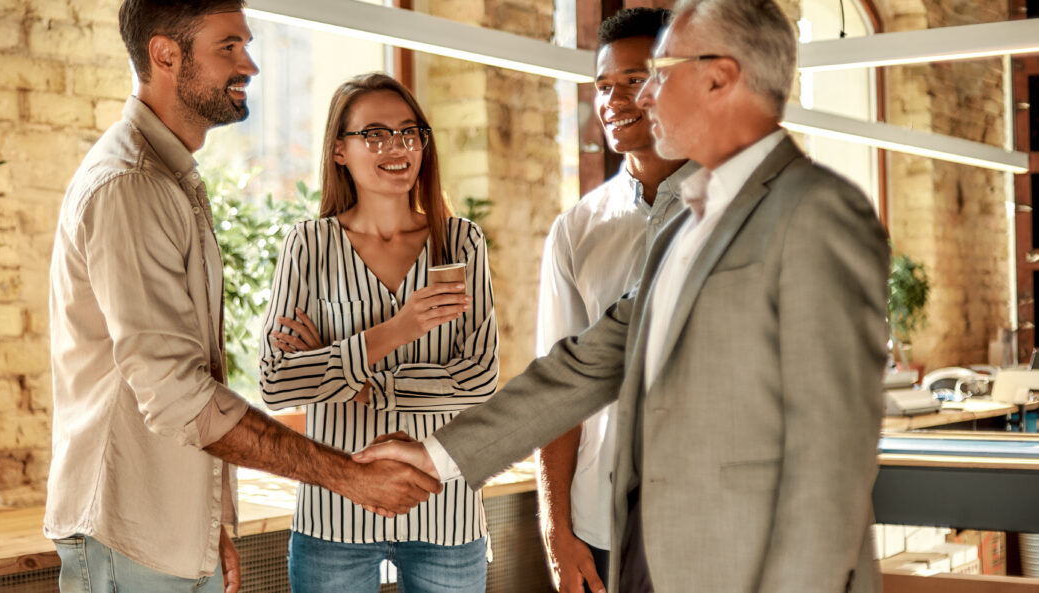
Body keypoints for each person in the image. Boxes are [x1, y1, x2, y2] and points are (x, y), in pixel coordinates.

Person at [356, 1, 890, 591]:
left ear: (719, 81)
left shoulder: (814, 212)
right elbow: (587, 364)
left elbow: (834, 439)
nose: (636, 99)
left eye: (657, 76)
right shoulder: (682, 224)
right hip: (643, 537)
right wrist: (441, 456)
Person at [45, 4, 439, 593]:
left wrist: (205, 523)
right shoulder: (131, 185)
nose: (249, 63)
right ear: (164, 54)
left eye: (245, 45)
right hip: (125, 539)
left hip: (166, 534)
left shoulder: (172, 176)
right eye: (228, 47)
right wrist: (348, 478)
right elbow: (177, 392)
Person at [258, 72, 499, 593]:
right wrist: (399, 329)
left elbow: (479, 380)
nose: (397, 147)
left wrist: (355, 377)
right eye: (375, 134)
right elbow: (276, 383)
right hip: (334, 516)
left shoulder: (460, 242)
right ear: (340, 150)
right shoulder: (309, 244)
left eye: (409, 132)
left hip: (446, 507)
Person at [535, 9, 696, 593]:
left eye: (633, 80)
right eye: (604, 86)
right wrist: (557, 530)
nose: (612, 100)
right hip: (602, 528)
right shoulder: (577, 230)